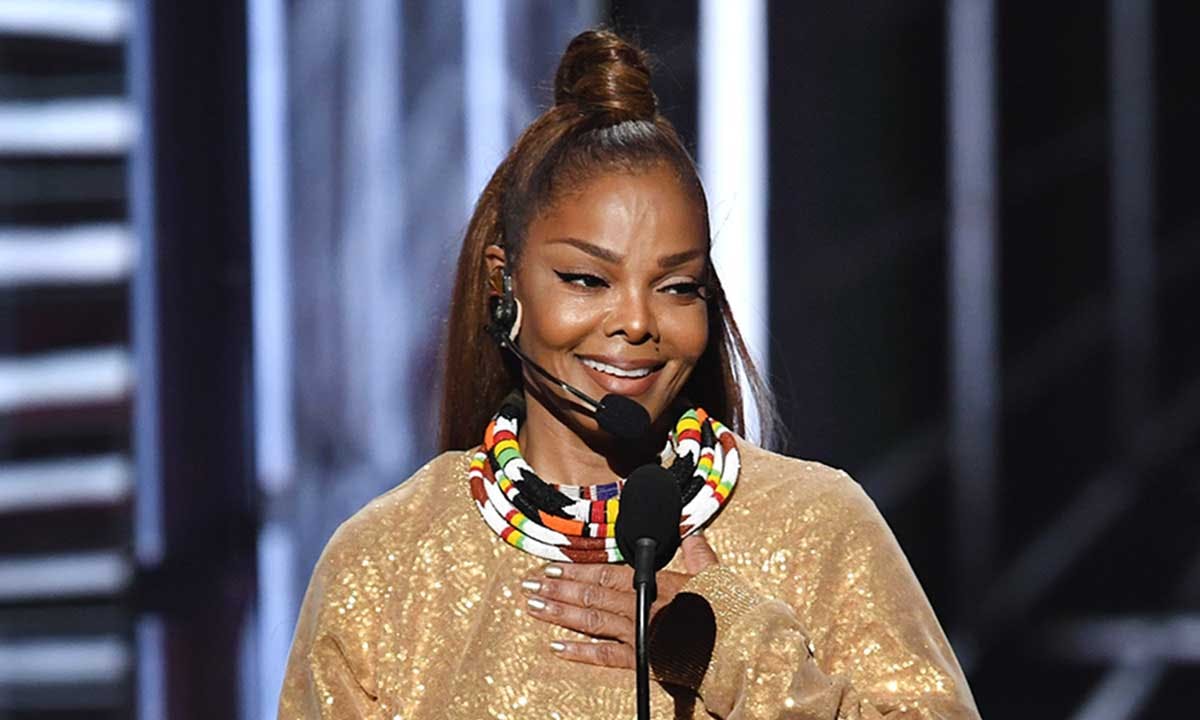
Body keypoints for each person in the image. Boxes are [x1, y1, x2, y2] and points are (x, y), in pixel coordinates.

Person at [278, 29, 981, 720]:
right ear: (505, 285)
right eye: (587, 279)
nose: (637, 323)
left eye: (677, 287)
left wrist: (733, 648)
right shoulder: (388, 562)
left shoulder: (818, 527)